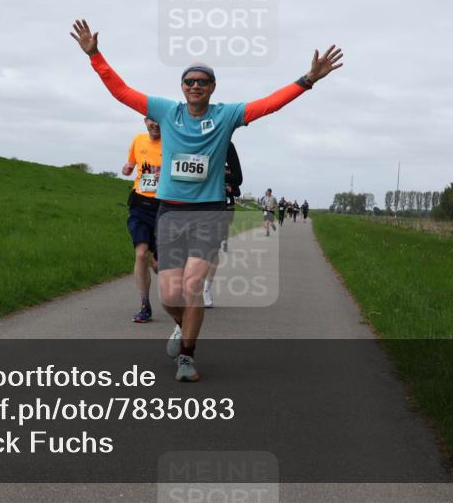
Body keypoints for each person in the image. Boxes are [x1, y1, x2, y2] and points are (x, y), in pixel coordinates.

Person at [71, 19, 343, 382]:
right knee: (170, 295)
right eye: (189, 81)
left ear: (213, 88)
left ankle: (187, 355)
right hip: (169, 213)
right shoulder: (167, 112)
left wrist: (306, 80)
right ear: (182, 88)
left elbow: (269, 105)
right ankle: (183, 327)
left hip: (207, 214)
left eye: (203, 81)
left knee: (192, 286)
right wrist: (95, 55)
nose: (195, 86)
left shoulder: (226, 115)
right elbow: (121, 92)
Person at [122, 117, 162, 323]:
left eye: (159, 121)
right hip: (139, 205)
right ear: (145, 121)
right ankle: (145, 305)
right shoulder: (138, 140)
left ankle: (166, 277)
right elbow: (130, 164)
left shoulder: (173, 142)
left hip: (164, 209)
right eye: (151, 121)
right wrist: (127, 168)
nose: (155, 125)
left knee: (158, 263)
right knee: (141, 254)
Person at [203, 141, 243, 308]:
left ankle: (206, 289)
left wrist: (220, 179)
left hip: (220, 205)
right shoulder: (189, 136)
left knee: (212, 250)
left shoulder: (226, 145)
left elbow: (238, 180)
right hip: (190, 201)